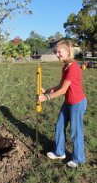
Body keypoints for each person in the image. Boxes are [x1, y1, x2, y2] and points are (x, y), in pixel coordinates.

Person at [37, 40, 87, 168]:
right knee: (59, 126)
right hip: (68, 101)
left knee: (75, 131)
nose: (57, 54)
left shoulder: (74, 67)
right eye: (56, 52)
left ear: (68, 51)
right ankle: (59, 152)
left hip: (77, 103)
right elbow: (60, 86)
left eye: (59, 52)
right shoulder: (65, 66)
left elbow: (63, 90)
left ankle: (78, 159)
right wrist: (47, 91)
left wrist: (46, 97)